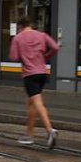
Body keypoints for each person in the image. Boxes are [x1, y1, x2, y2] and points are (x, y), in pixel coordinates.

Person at [8, 16, 60, 149]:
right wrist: (45, 57)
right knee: (31, 104)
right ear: (31, 25)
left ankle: (50, 131)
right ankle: (29, 135)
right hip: (42, 73)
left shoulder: (18, 38)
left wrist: (23, 55)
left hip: (30, 74)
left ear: (20, 26)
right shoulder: (42, 35)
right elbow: (55, 47)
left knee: (38, 103)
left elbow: (13, 57)